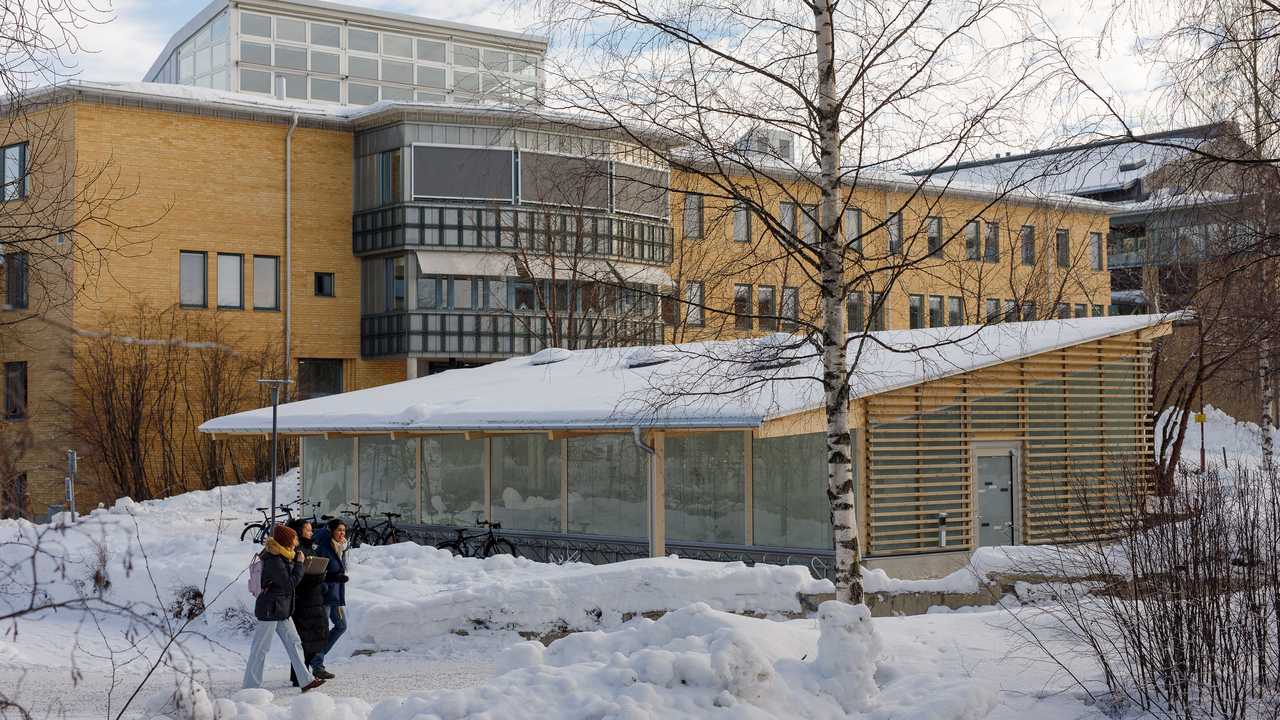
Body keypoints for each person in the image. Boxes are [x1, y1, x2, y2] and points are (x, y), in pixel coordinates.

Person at [242, 524, 326, 692]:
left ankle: (306, 680)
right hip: (271, 609)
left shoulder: (283, 556)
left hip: (281, 609)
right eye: (293, 538)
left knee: (295, 644)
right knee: (260, 649)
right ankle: (250, 687)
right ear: (287, 541)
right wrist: (300, 565)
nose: (296, 542)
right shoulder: (274, 559)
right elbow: (288, 583)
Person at [286, 519, 329, 687]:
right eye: (309, 530)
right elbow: (299, 576)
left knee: (313, 638)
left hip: (314, 598)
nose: (312, 533)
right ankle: (300, 677)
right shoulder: (297, 550)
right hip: (304, 600)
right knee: (304, 639)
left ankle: (300, 675)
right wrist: (319, 576)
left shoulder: (309, 547)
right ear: (298, 531)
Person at [309, 517, 350, 679]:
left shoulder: (341, 548)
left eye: (344, 530)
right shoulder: (323, 549)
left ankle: (314, 655)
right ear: (331, 532)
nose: (342, 533)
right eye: (339, 530)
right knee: (321, 630)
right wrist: (332, 580)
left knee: (341, 626)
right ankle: (318, 665)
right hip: (325, 596)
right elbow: (317, 575)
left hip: (335, 597)